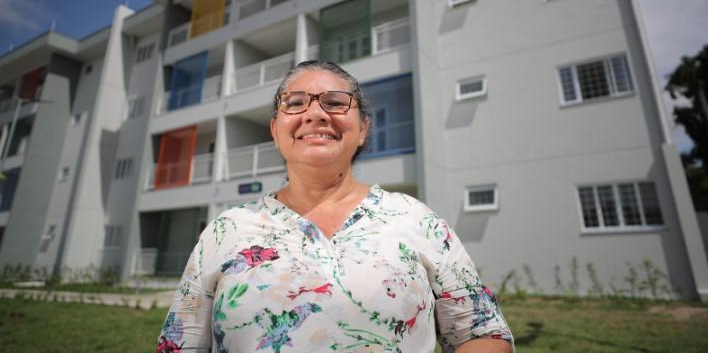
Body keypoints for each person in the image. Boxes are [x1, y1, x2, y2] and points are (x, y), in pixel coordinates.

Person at [157, 60, 514, 353]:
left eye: (335, 102)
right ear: (276, 130)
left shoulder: (418, 221)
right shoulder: (226, 230)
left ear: (362, 129)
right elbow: (179, 345)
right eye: (295, 103)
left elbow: (484, 334)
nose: (314, 114)